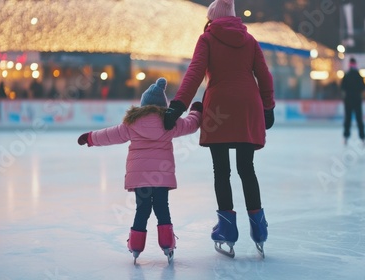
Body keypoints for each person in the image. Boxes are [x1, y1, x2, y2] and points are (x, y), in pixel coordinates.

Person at [163, 0, 275, 258]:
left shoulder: (208, 38)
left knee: (221, 170)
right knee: (247, 169)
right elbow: (264, 75)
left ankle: (227, 230)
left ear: (212, 17)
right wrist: (267, 106)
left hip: (220, 108)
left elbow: (195, 73)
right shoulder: (249, 40)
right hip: (249, 106)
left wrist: (178, 106)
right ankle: (259, 231)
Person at [77, 78, 202, 263]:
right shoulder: (170, 122)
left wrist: (90, 138)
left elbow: (110, 135)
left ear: (143, 104)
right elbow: (191, 124)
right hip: (161, 175)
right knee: (162, 208)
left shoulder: (131, 123)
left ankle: (135, 246)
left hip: (140, 177)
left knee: (142, 210)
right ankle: (168, 244)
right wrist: (196, 111)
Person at [341, 57, 365, 146]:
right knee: (359, 119)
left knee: (347, 120)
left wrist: (349, 91)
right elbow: (363, 87)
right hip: (357, 99)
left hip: (348, 99)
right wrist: (357, 92)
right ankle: (363, 138)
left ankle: (346, 137)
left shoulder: (347, 75)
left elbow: (342, 87)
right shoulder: (358, 75)